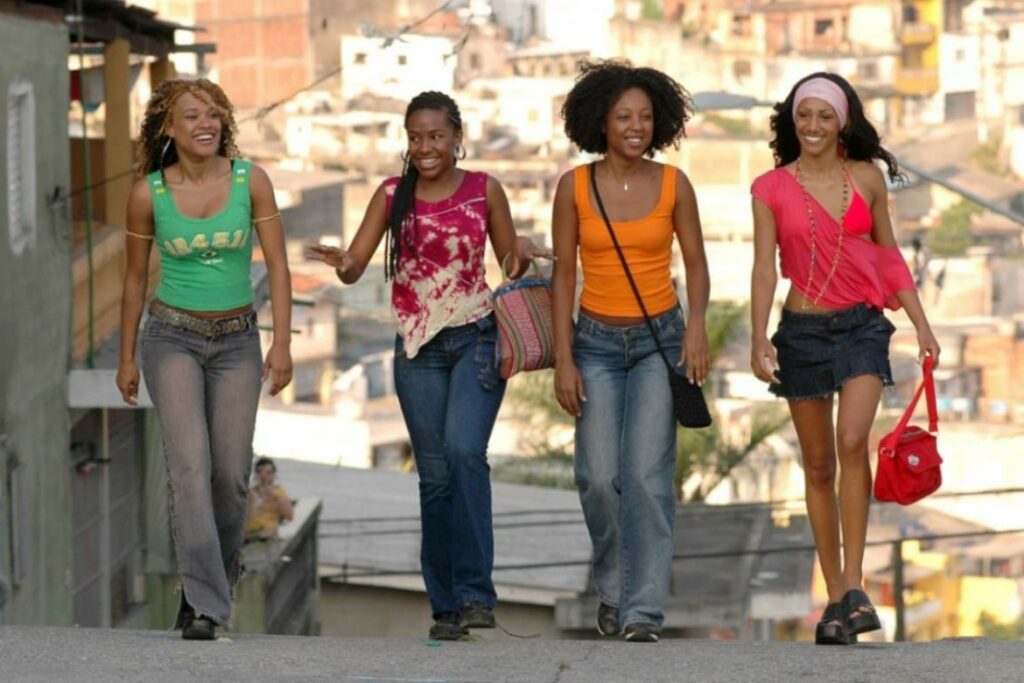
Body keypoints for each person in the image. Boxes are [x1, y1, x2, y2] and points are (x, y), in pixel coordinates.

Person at [308, 91, 550, 641]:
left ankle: (475, 596)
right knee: (435, 478)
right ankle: (446, 609)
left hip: (476, 339)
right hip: (416, 351)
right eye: (415, 137)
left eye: (436, 136)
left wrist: (524, 248)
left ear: (457, 137)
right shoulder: (391, 194)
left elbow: (508, 263)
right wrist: (342, 263)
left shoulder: (485, 189)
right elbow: (355, 265)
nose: (425, 147)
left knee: (465, 453)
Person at [749, 72, 940, 645]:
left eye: (824, 116)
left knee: (852, 440)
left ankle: (855, 584)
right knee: (817, 466)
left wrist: (922, 324)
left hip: (861, 327)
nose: (813, 125)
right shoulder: (769, 188)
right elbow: (763, 268)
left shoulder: (868, 178)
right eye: (804, 115)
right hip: (801, 334)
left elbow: (890, 256)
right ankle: (835, 598)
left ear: (842, 122)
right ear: (793, 121)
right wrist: (758, 336)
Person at [115, 78, 293, 640]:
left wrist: (282, 343)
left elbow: (279, 266)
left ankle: (209, 585)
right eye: (191, 115)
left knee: (230, 476)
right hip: (172, 338)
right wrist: (126, 358)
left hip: (238, 341)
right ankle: (206, 606)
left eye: (214, 114)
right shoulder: (148, 194)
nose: (205, 124)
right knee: (189, 468)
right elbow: (134, 281)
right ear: (169, 128)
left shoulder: (250, 180)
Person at [550, 60, 711, 643]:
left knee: (646, 478)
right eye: (623, 117)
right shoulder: (573, 186)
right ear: (601, 122)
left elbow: (696, 264)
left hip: (658, 344)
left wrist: (696, 328)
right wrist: (564, 358)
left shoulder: (674, 185)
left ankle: (642, 610)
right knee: (597, 477)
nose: (636, 126)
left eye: (644, 116)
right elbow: (563, 276)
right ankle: (614, 590)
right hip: (593, 343)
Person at [244, 457, 294, 542]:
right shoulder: (250, 492)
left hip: (267, 533)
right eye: (259, 472)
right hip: (248, 533)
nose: (263, 476)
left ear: (274, 474)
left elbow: (289, 516)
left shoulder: (279, 492)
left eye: (268, 473)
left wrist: (274, 497)